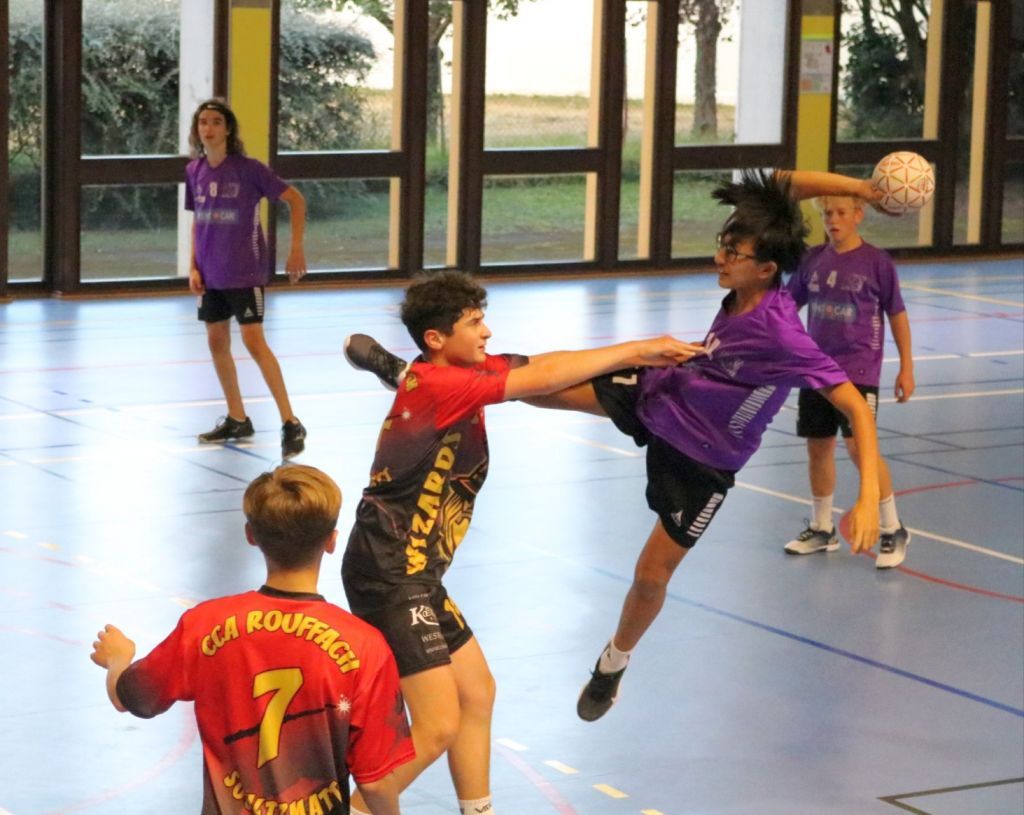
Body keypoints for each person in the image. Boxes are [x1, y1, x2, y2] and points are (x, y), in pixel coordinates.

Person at [344, 170, 884, 725]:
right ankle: (420, 377)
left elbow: (855, 407)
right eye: (722, 244)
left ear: (766, 268)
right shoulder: (749, 277)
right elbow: (781, 185)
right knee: (536, 383)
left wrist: (866, 497)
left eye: (732, 253)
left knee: (651, 576)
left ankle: (613, 663)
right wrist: (861, 189)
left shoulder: (784, 333)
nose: (719, 257)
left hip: (704, 456)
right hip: (664, 392)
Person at [340, 271, 701, 815]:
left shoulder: (455, 371)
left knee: (476, 693)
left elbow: (542, 363)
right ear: (436, 339)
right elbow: (544, 378)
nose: (486, 332)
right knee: (435, 727)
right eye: (474, 323)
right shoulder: (443, 385)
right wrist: (639, 350)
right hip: (389, 573)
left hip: (416, 573)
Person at [90, 464, 414, 815]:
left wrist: (118, 658)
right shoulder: (364, 646)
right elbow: (375, 781)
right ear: (332, 541)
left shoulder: (204, 626)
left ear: (250, 535)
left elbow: (128, 697)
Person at [783, 194, 913, 568]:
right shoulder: (812, 260)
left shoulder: (876, 262)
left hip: (859, 370)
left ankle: (892, 527)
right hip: (816, 369)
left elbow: (897, 314)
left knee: (860, 449)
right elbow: (787, 308)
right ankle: (822, 528)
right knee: (818, 447)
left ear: (858, 215)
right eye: (827, 213)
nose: (833, 219)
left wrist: (906, 367)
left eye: (841, 212)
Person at [186, 99, 308, 459]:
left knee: (254, 342)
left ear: (227, 129)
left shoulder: (249, 169)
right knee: (216, 342)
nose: (208, 128)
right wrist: (194, 267)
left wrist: (295, 249)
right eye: (203, 122)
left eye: (216, 122)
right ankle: (237, 417)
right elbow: (198, 221)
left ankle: (290, 422)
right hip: (211, 275)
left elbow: (296, 200)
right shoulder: (194, 171)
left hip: (245, 271)